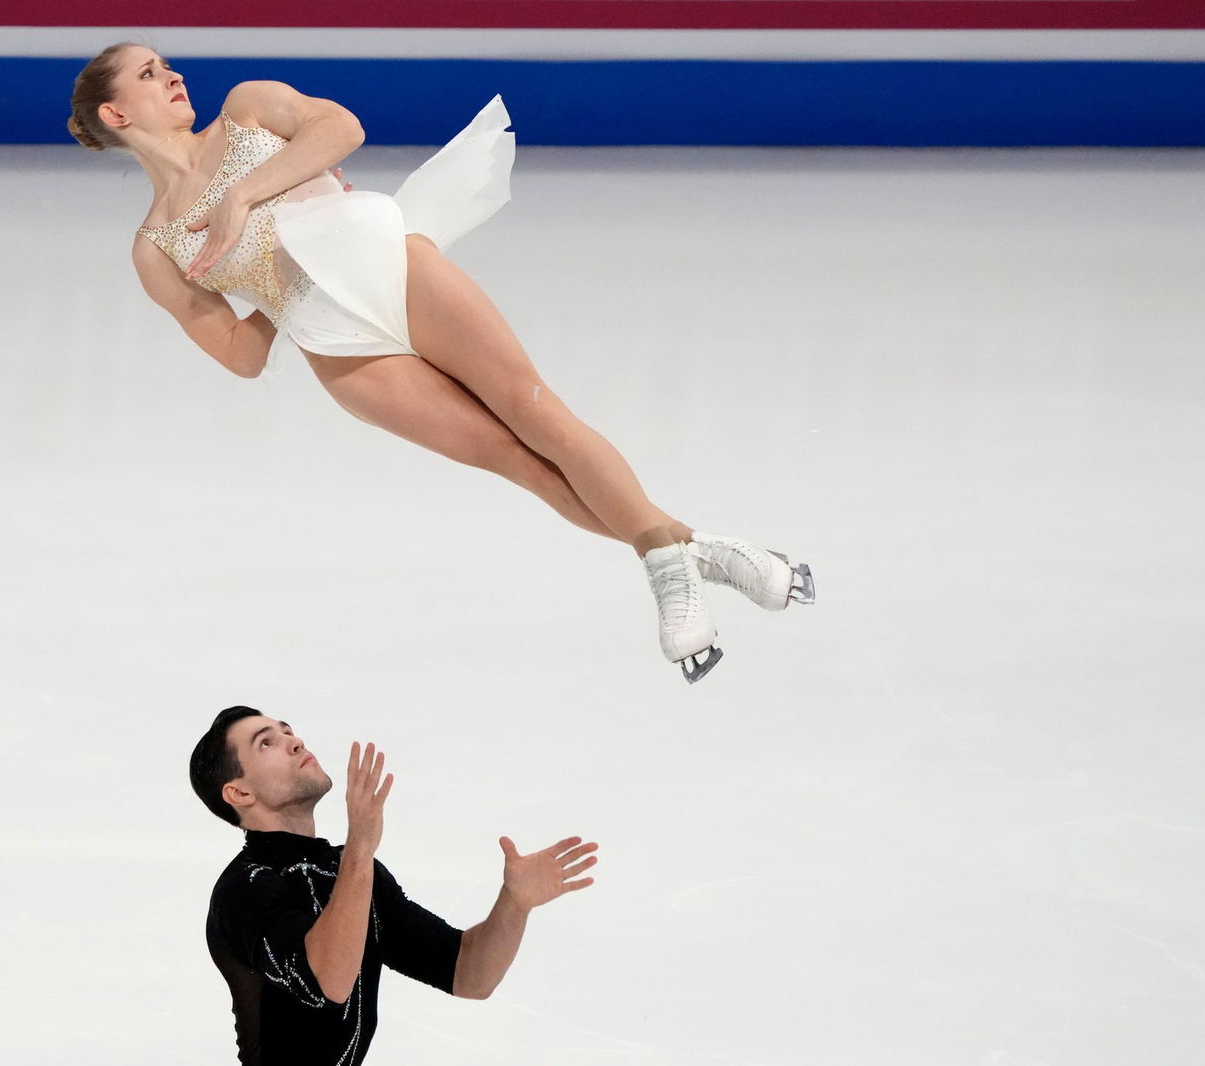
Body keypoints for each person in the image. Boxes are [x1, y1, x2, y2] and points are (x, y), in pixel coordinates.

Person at [67, 44, 815, 682]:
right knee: (517, 463)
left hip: (389, 262)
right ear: (115, 115)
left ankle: (665, 566)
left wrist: (244, 203)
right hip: (338, 345)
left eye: (166, 63)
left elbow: (340, 128)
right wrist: (277, 281)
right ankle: (701, 553)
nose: (172, 75)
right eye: (148, 72)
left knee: (536, 414)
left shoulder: (246, 108)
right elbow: (236, 354)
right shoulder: (156, 245)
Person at [188, 705, 598, 1065]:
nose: (293, 742)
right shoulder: (245, 890)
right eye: (266, 743)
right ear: (238, 792)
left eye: (287, 730)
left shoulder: (351, 871)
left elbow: (470, 973)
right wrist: (361, 847)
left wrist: (514, 903)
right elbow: (328, 980)